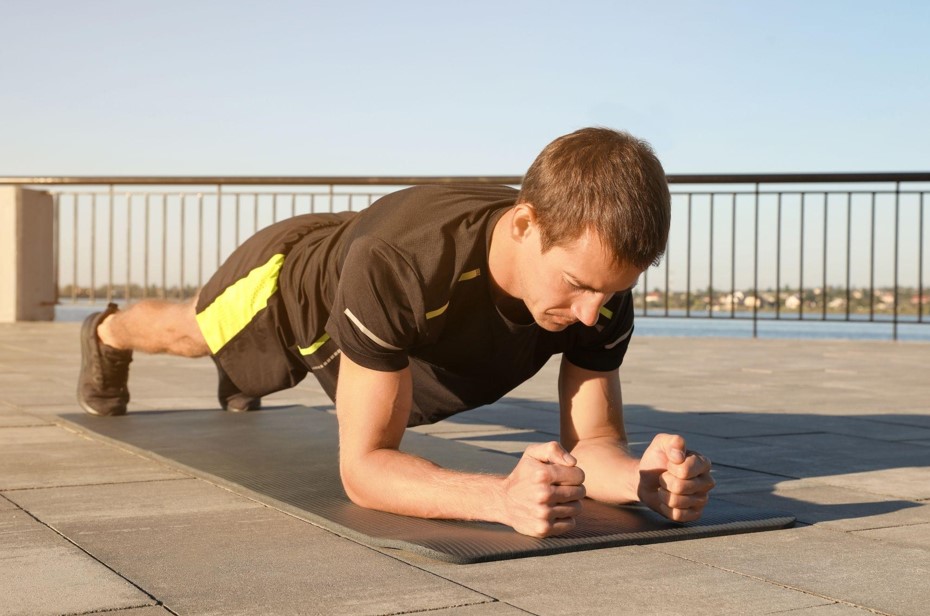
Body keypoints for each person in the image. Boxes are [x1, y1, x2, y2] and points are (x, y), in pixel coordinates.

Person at [77, 127, 715, 537]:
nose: (590, 313)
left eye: (613, 290)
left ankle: (243, 382)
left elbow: (595, 441)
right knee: (193, 333)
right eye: (576, 284)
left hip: (386, 298)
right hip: (293, 283)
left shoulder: (600, 294)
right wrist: (501, 498)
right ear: (524, 225)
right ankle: (108, 331)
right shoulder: (403, 263)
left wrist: (643, 481)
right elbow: (364, 470)